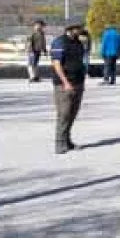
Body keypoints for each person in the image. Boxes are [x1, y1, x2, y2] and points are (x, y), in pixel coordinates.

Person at [50, 18, 87, 154]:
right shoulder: (59, 42)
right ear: (71, 28)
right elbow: (57, 64)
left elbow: (81, 60)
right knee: (64, 113)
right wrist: (65, 82)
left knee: (73, 113)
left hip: (78, 82)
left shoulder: (78, 42)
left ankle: (67, 140)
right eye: (79, 28)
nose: (81, 30)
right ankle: (59, 143)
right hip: (63, 84)